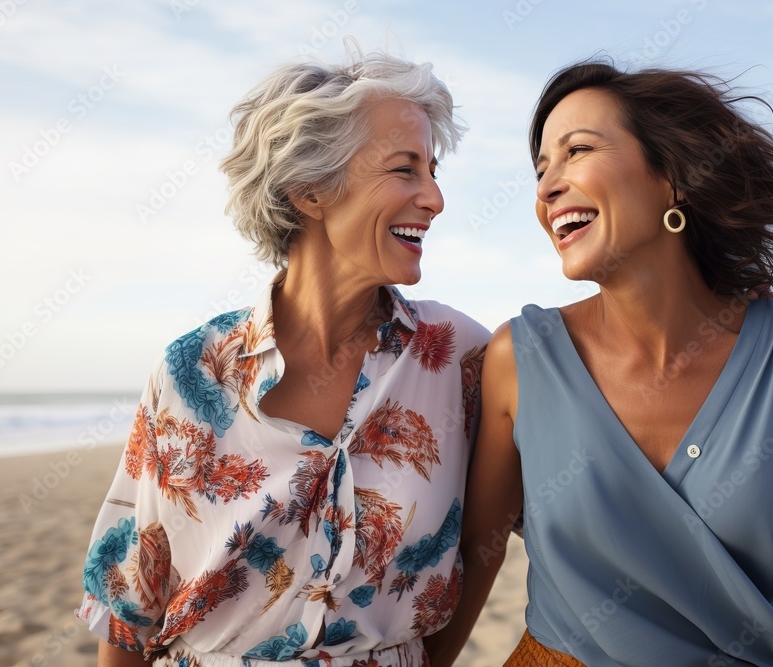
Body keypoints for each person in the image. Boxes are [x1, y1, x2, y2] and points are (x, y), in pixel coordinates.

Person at [433, 61, 773, 665]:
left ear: (672, 178)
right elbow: (470, 568)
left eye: (578, 151)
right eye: (541, 169)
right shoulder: (522, 359)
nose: (546, 188)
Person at [76, 50, 491, 667]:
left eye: (433, 171)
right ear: (311, 190)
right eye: (406, 170)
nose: (435, 198)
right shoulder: (192, 372)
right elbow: (129, 612)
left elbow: (517, 536)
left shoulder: (460, 356)